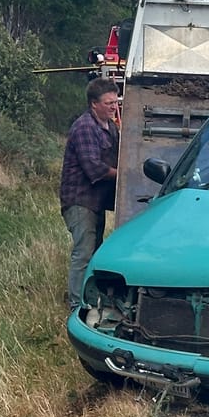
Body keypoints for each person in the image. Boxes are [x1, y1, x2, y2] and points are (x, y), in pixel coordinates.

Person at [60, 78, 120, 310]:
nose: (114, 107)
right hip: (80, 201)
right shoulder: (85, 127)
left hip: (96, 202)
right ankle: (76, 304)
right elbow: (93, 167)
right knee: (83, 253)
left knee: (96, 250)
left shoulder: (111, 127)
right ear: (94, 104)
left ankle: (92, 298)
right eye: (108, 103)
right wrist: (125, 175)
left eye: (115, 102)